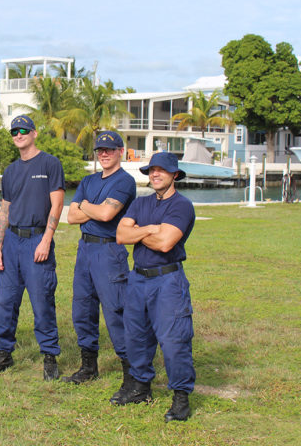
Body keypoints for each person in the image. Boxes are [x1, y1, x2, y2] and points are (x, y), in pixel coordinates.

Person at [111, 152, 196, 422]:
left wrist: (140, 231)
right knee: (136, 336)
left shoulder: (182, 206)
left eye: (162, 170)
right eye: (152, 170)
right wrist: (151, 229)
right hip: (137, 278)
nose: (155, 174)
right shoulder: (140, 202)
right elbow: (121, 235)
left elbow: (165, 244)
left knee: (173, 340)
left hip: (167, 279)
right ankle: (140, 388)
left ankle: (180, 398)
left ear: (175, 175)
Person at [0, 115, 65, 380]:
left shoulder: (50, 164)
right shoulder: (11, 170)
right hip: (11, 242)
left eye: (23, 130)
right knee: (5, 302)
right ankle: (4, 354)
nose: (18, 135)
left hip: (36, 239)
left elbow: (57, 204)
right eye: (14, 131)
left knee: (42, 302)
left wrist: (46, 240)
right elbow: (4, 210)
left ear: (34, 133)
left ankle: (49, 356)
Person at [63, 131, 136, 401]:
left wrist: (85, 205)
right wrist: (91, 208)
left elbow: (108, 214)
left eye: (109, 149)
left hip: (109, 250)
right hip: (85, 248)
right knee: (82, 307)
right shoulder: (88, 180)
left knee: (116, 311)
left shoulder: (124, 181)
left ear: (120, 151)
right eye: (99, 150)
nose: (104, 154)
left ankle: (132, 375)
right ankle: (88, 366)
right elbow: (71, 217)